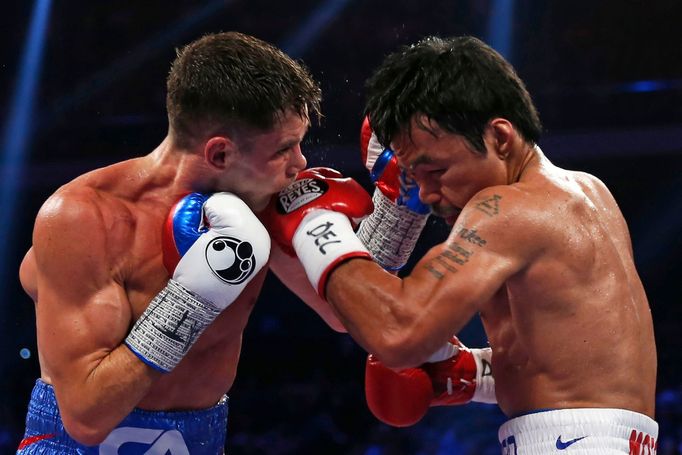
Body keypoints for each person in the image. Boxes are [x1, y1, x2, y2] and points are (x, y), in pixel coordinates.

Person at [262, 36, 659, 454]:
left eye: (436, 170)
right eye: (416, 177)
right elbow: (585, 365)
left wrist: (317, 228)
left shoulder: (506, 208)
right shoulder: (589, 191)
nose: (429, 194)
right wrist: (471, 372)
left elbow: (398, 333)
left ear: (500, 138)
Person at [16, 31, 350, 454]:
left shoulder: (261, 204)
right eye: (284, 148)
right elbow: (87, 416)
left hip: (199, 442)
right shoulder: (87, 217)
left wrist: (397, 211)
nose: (301, 163)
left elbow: (347, 314)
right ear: (220, 155)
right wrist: (190, 300)